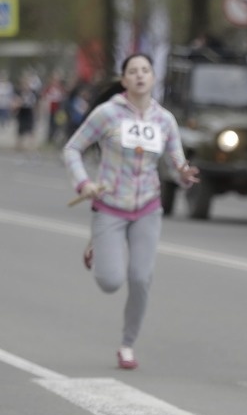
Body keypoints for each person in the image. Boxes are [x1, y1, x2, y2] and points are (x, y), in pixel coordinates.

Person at [62, 53, 199, 369]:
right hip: (109, 206)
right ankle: (99, 244)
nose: (139, 75)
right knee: (110, 281)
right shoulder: (107, 114)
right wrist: (84, 183)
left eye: (145, 70)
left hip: (148, 207)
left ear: (153, 78)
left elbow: (177, 164)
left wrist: (184, 174)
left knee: (140, 278)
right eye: (133, 71)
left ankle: (127, 345)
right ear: (124, 80)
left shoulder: (164, 120)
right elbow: (72, 148)